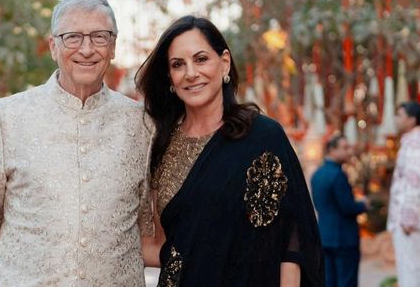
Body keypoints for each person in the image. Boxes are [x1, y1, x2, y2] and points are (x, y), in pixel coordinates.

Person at [0, 0, 153, 286]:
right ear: (53, 46)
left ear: (113, 47)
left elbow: (145, 222)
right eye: (73, 37)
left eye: (99, 37)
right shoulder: (8, 117)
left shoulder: (141, 124)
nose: (86, 49)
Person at [136, 15, 323, 286]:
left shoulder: (262, 137)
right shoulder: (161, 146)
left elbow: (290, 240)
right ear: (170, 77)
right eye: (178, 64)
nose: (190, 73)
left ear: (224, 62)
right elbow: (166, 246)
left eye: (201, 59)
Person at [311, 135, 366, 287]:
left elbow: (318, 204)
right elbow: (347, 207)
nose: (349, 152)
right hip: (344, 238)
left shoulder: (317, 174)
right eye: (345, 148)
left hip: (325, 236)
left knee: (329, 282)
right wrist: (363, 205)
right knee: (346, 281)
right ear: (332, 149)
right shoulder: (338, 175)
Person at [388, 101, 420, 287]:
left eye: (400, 115)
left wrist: (408, 218)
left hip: (411, 222)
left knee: (410, 272)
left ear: (412, 119)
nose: (396, 119)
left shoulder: (415, 142)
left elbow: (414, 180)